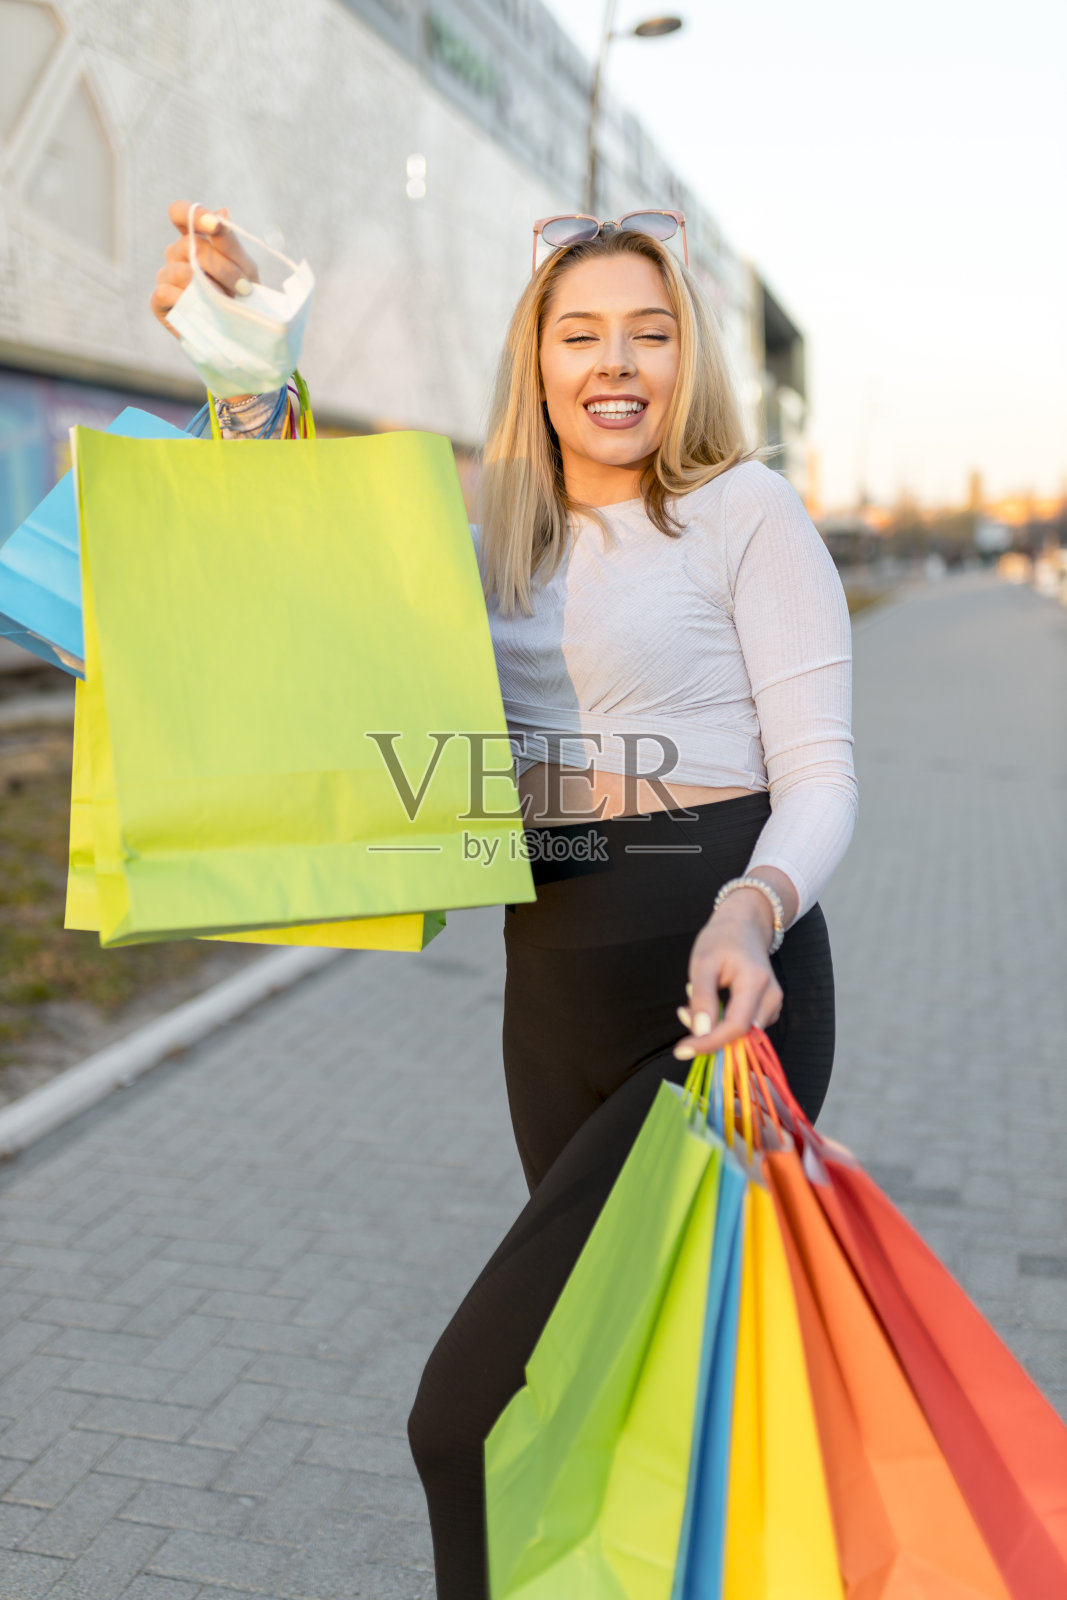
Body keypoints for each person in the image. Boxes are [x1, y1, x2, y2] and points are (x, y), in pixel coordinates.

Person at [151, 201, 857, 1599]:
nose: (617, 361)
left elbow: (823, 777)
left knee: (469, 1417)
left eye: (649, 334)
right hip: (552, 1001)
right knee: (612, 1401)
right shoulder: (495, 538)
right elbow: (311, 574)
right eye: (581, 332)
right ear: (535, 363)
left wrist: (752, 908)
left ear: (687, 358)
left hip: (717, 1001)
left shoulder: (741, 512)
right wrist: (239, 346)